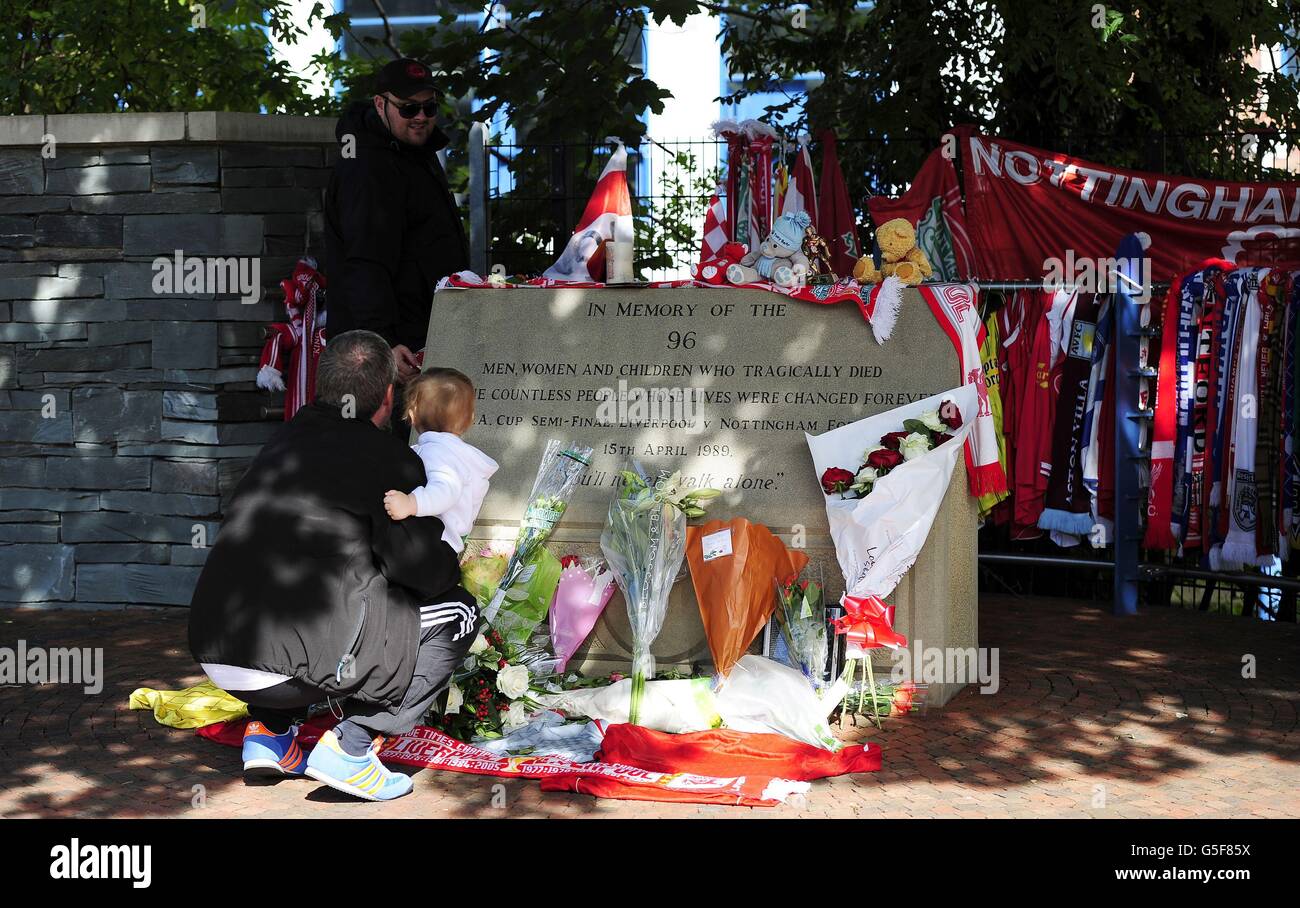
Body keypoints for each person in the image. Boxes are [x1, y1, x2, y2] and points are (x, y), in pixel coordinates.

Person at [188, 331, 478, 801]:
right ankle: (353, 749)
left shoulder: (282, 441)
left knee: (326, 586)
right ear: (388, 396)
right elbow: (424, 573)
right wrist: (452, 547)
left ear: (322, 386)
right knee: (459, 611)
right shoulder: (388, 458)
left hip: (216, 650)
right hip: (290, 667)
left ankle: (269, 734)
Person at [324, 57, 469, 431]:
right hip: (393, 353)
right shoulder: (367, 166)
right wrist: (383, 343)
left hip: (423, 337)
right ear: (380, 105)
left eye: (429, 107)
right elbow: (365, 262)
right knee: (392, 461)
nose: (420, 116)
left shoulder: (413, 152)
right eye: (408, 108)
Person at [382, 368, 498, 564]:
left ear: (412, 413)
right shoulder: (447, 451)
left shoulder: (438, 451)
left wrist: (412, 503)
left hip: (433, 546)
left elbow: (446, 488)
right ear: (470, 419)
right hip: (441, 545)